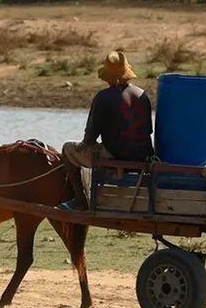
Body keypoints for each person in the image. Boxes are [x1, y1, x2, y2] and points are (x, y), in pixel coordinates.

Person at [57, 51, 154, 212]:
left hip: (117, 158)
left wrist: (85, 145)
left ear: (108, 77)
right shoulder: (142, 95)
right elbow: (148, 130)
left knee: (68, 149)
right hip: (142, 158)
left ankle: (80, 200)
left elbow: (90, 138)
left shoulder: (103, 97)